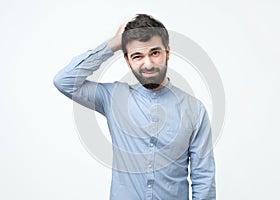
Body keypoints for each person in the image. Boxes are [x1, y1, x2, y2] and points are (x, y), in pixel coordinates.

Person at [53, 14, 216, 200]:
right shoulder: (113, 97)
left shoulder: (194, 109)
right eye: (137, 56)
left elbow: (203, 178)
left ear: (167, 53)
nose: (148, 64)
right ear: (127, 60)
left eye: (155, 53)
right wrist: (112, 44)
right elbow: (64, 81)